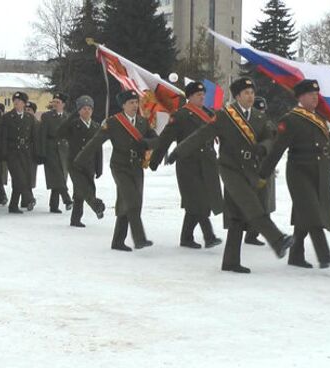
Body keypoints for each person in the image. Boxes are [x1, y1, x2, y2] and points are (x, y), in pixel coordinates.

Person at [171, 77, 293, 273]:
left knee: (237, 217)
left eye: (252, 92)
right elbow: (202, 135)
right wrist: (179, 151)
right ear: (237, 96)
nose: (251, 96)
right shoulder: (225, 116)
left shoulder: (260, 118)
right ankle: (277, 240)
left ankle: (230, 262)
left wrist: (262, 147)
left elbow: (270, 139)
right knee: (251, 204)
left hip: (251, 170)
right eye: (246, 93)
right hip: (230, 169)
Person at [259, 79, 330, 269]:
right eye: (311, 94)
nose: (315, 97)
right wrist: (263, 175)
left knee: (305, 215)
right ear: (300, 97)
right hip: (299, 172)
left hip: (318, 172)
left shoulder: (318, 118)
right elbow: (277, 149)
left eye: (316, 94)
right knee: (313, 213)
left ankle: (296, 255)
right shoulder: (291, 119)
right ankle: (324, 255)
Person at [75, 90, 158, 251]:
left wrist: (147, 143)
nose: (135, 105)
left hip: (137, 166)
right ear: (123, 105)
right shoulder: (113, 122)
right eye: (131, 103)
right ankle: (139, 238)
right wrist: (79, 160)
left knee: (130, 202)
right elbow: (95, 141)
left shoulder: (142, 122)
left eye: (136, 102)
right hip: (120, 166)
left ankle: (118, 241)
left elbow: (156, 140)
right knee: (132, 199)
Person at [150, 81, 223, 249]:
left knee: (197, 203)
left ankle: (186, 238)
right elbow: (166, 138)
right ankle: (209, 236)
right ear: (189, 97)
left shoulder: (209, 114)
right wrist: (155, 160)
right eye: (198, 95)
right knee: (198, 201)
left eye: (203, 94)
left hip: (208, 164)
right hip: (189, 164)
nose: (202, 97)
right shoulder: (181, 115)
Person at [57, 95, 105, 227]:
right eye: (83, 108)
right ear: (78, 110)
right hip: (75, 163)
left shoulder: (96, 126)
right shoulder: (73, 124)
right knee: (83, 187)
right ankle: (96, 206)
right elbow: (59, 133)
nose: (87, 111)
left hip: (89, 164)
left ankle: (75, 219)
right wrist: (71, 116)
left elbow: (98, 148)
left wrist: (99, 167)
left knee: (82, 191)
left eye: (89, 108)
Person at [0, 91, 38, 214]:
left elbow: (33, 136)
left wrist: (35, 152)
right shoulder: (7, 117)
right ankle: (28, 198)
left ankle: (13, 205)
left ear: (24, 103)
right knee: (18, 176)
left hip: (25, 152)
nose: (16, 103)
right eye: (15, 101)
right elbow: (3, 137)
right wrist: (3, 152)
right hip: (12, 151)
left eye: (20, 101)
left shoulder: (29, 118)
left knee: (21, 178)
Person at [245, 96, 275, 246]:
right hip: (255, 167)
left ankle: (254, 233)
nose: (262, 112)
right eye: (259, 109)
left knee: (265, 202)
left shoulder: (267, 124)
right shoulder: (249, 126)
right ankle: (252, 233)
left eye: (263, 109)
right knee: (259, 203)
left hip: (267, 167)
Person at [40, 93, 73, 213]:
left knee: (60, 177)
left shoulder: (68, 117)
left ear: (63, 104)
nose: (55, 104)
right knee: (57, 175)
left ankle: (53, 205)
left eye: (58, 102)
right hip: (51, 149)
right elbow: (42, 135)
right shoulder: (47, 116)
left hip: (64, 150)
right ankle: (67, 199)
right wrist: (42, 152)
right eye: (54, 102)